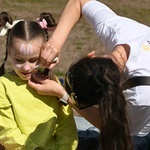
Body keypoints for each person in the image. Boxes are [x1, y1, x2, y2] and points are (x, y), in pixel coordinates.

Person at [28, 0, 150, 150]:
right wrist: (55, 43)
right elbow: (78, 2)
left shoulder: (141, 98)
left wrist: (64, 94)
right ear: (91, 56)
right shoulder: (115, 29)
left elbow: (118, 129)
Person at [0, 11, 78, 150]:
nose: (26, 67)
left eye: (33, 60)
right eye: (19, 60)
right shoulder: (3, 86)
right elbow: (6, 130)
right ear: (9, 51)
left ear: (44, 54)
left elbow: (65, 124)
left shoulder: (51, 83)